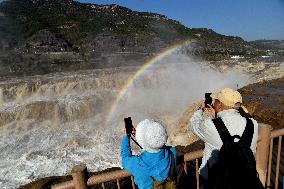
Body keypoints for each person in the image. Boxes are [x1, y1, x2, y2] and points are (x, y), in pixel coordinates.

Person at [189, 88, 259, 181]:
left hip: (218, 182)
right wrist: (216, 118)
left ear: (220, 104)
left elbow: (193, 126)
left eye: (215, 101)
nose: (213, 103)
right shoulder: (253, 124)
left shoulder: (211, 125)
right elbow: (232, 127)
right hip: (244, 179)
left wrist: (200, 110)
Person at [121, 119, 177, 189]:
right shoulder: (172, 153)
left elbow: (125, 158)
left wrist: (126, 137)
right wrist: (143, 137)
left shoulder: (138, 164)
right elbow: (158, 145)